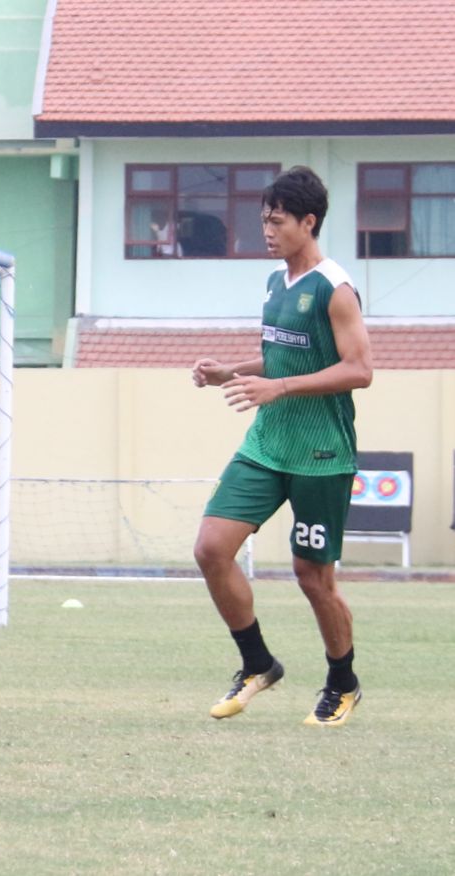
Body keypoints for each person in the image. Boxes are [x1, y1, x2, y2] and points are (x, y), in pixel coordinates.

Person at [191, 166, 372, 727]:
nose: (266, 230)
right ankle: (257, 663)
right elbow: (282, 358)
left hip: (321, 452)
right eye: (264, 220)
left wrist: (279, 387)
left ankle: (342, 682)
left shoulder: (335, 288)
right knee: (210, 548)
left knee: (312, 576)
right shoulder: (277, 283)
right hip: (267, 445)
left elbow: (359, 369)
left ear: (308, 222)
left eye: (277, 221)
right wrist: (231, 372)